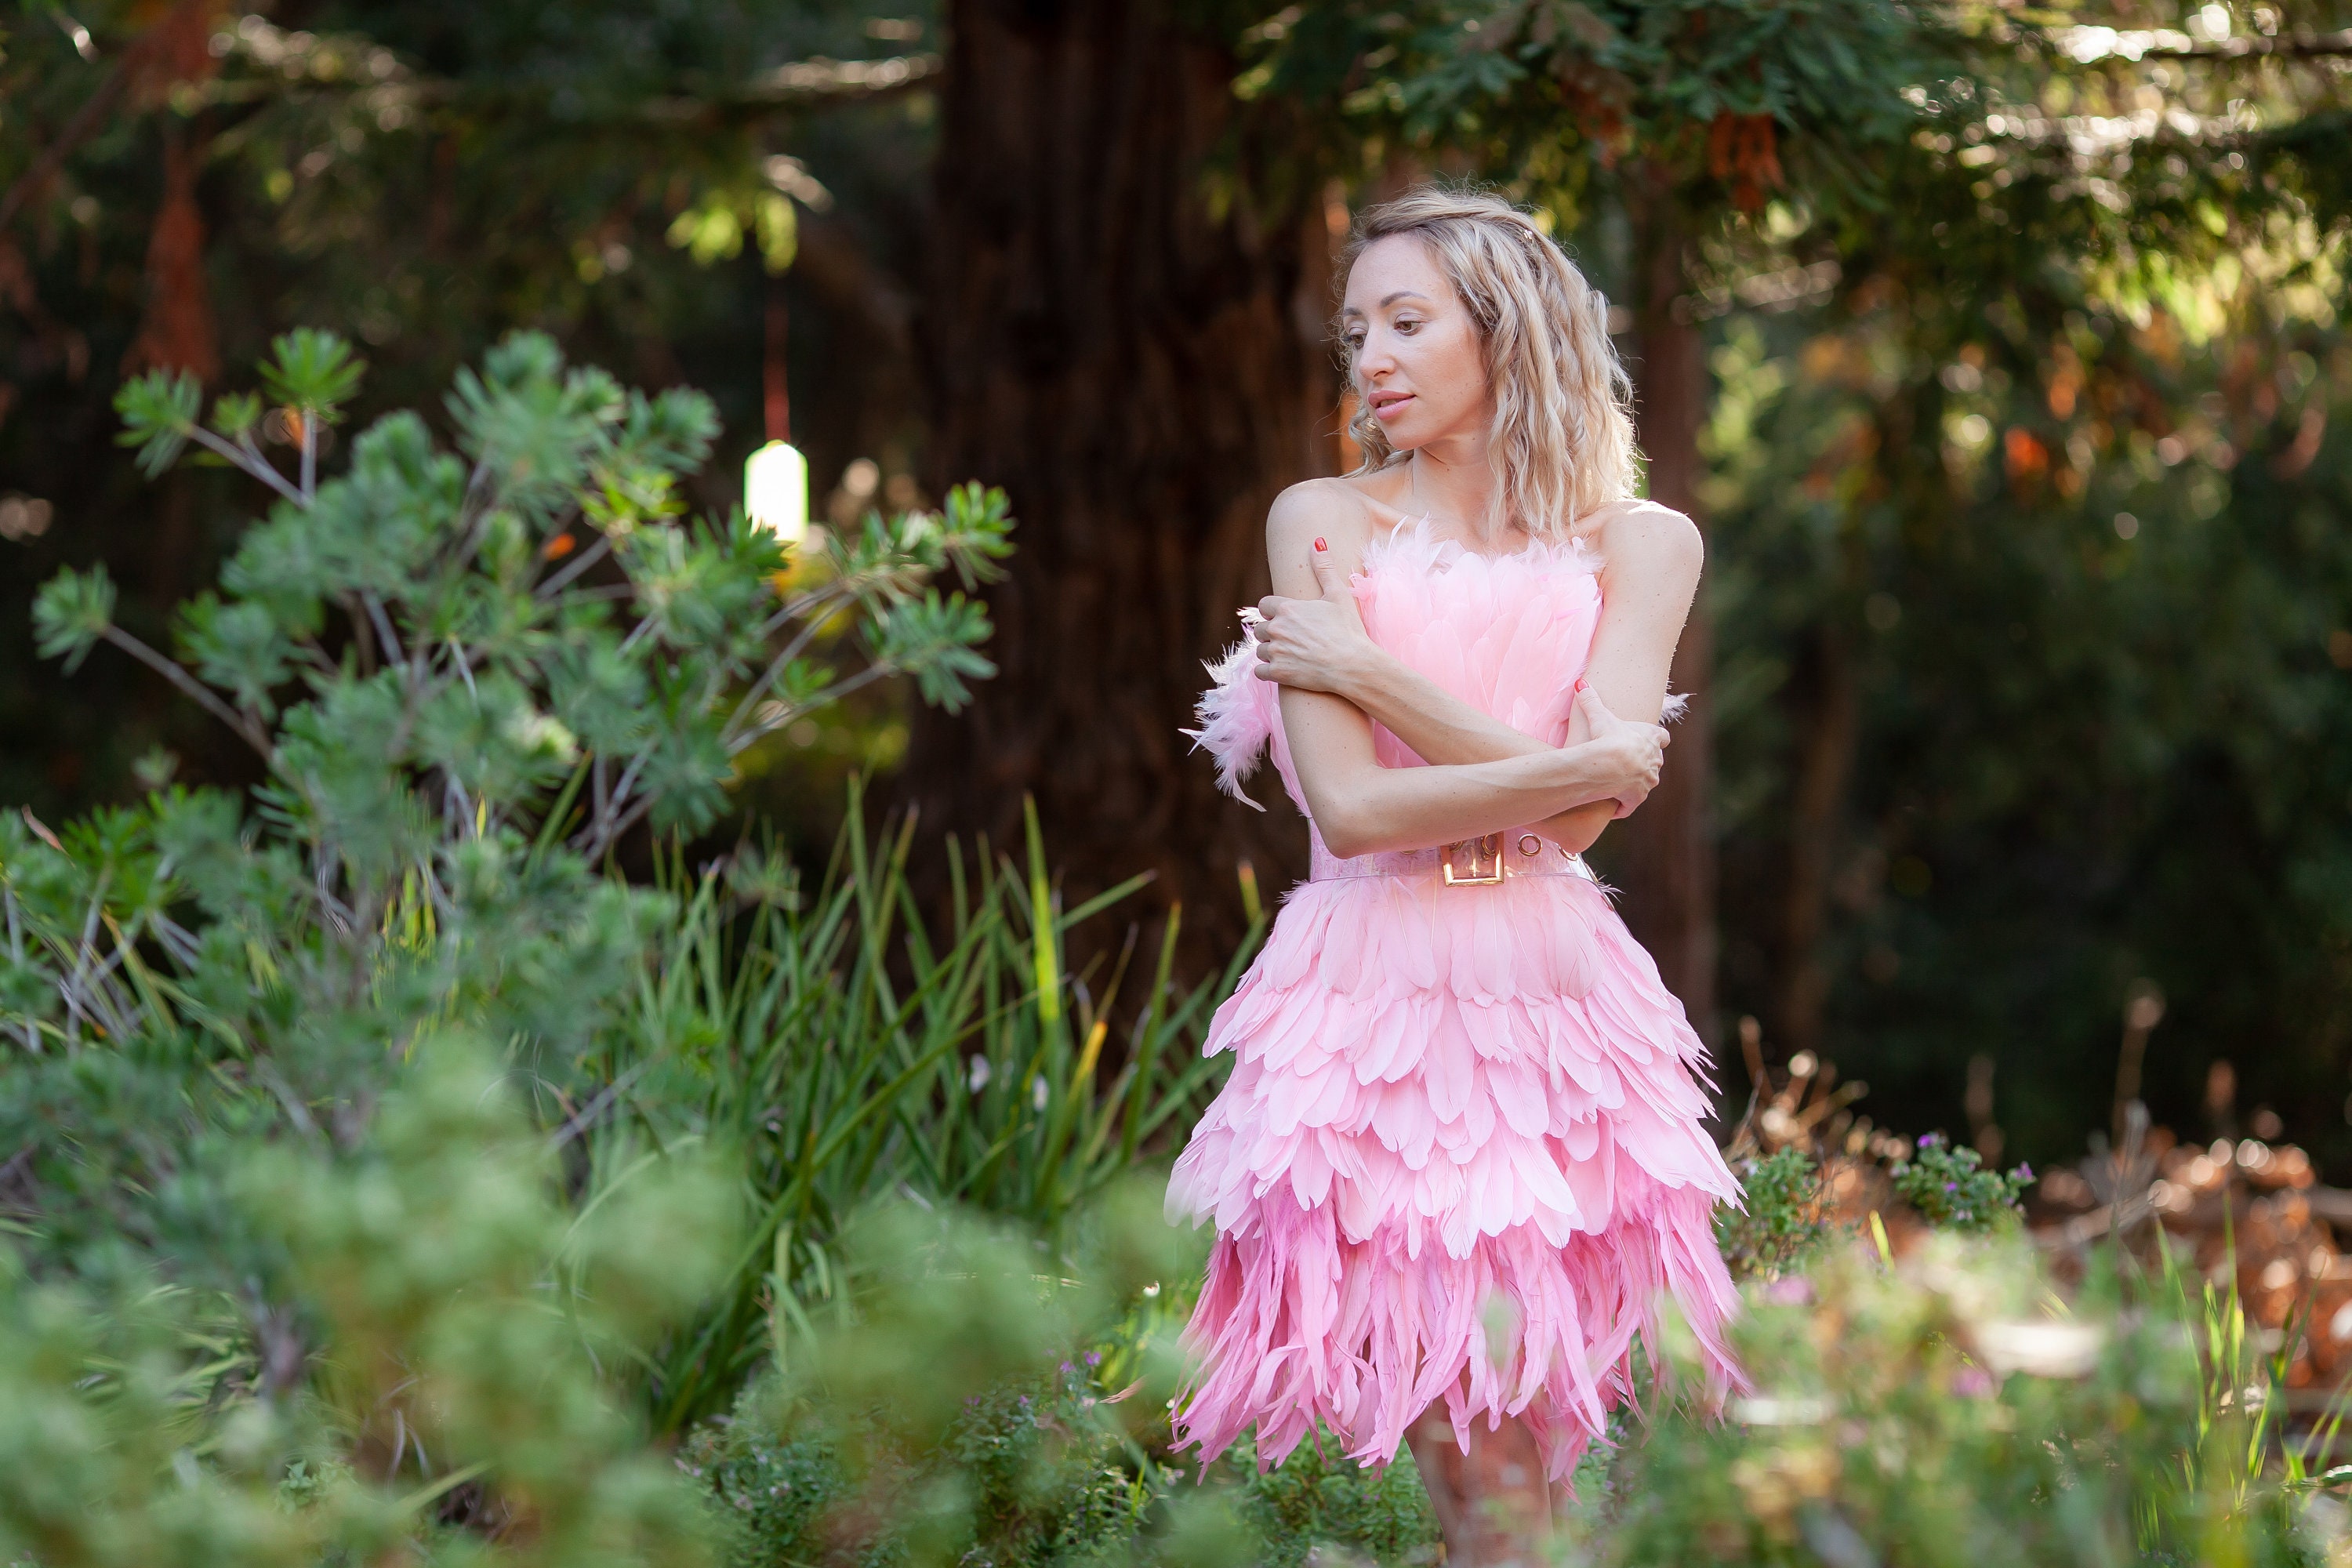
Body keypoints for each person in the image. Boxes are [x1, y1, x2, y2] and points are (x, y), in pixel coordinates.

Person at [1166, 186, 1744, 1559]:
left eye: (1407, 322)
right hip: (1379, 999)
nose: (1369, 357)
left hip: (1555, 1000)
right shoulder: (1322, 523)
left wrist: (1368, 669)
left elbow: (1594, 824)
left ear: (1508, 327)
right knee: (1470, 1454)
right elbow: (1360, 811)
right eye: (1357, 327)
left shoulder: (1642, 544)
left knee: (1539, 1441)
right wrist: (1576, 770)